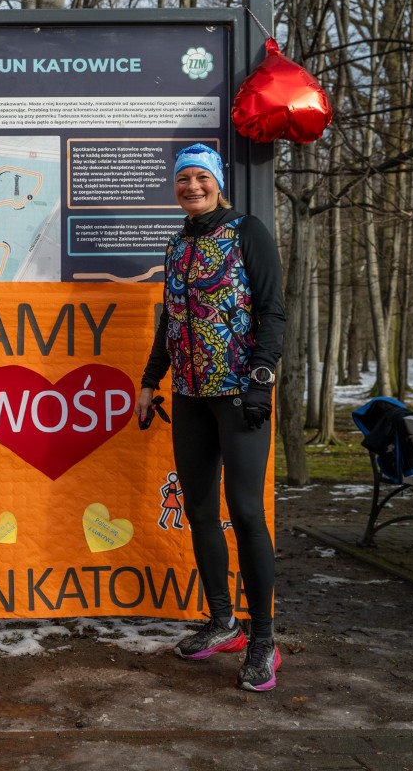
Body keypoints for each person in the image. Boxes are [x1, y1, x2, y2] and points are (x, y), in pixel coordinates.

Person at [136, 143, 286, 692]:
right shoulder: (177, 245)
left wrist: (262, 379)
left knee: (246, 512)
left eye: (201, 177)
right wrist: (152, 381)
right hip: (190, 398)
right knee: (200, 511)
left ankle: (264, 637)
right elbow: (170, 321)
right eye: (183, 179)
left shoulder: (248, 232)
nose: (192, 186)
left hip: (240, 394)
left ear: (217, 182)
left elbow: (272, 310)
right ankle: (223, 622)